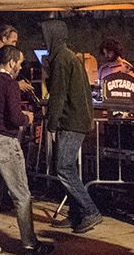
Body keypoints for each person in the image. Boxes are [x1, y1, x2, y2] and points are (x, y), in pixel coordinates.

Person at [0, 46, 53, 255]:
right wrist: (28, 117)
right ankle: (29, 243)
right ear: (10, 62)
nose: (21, 67)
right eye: (20, 62)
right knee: (21, 195)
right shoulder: (9, 84)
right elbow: (14, 118)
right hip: (5, 142)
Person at [39, 20, 103, 234]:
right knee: (69, 168)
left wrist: (51, 122)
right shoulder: (68, 56)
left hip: (71, 121)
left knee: (63, 167)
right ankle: (76, 213)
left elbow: (58, 94)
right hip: (78, 119)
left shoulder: (61, 60)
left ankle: (89, 211)